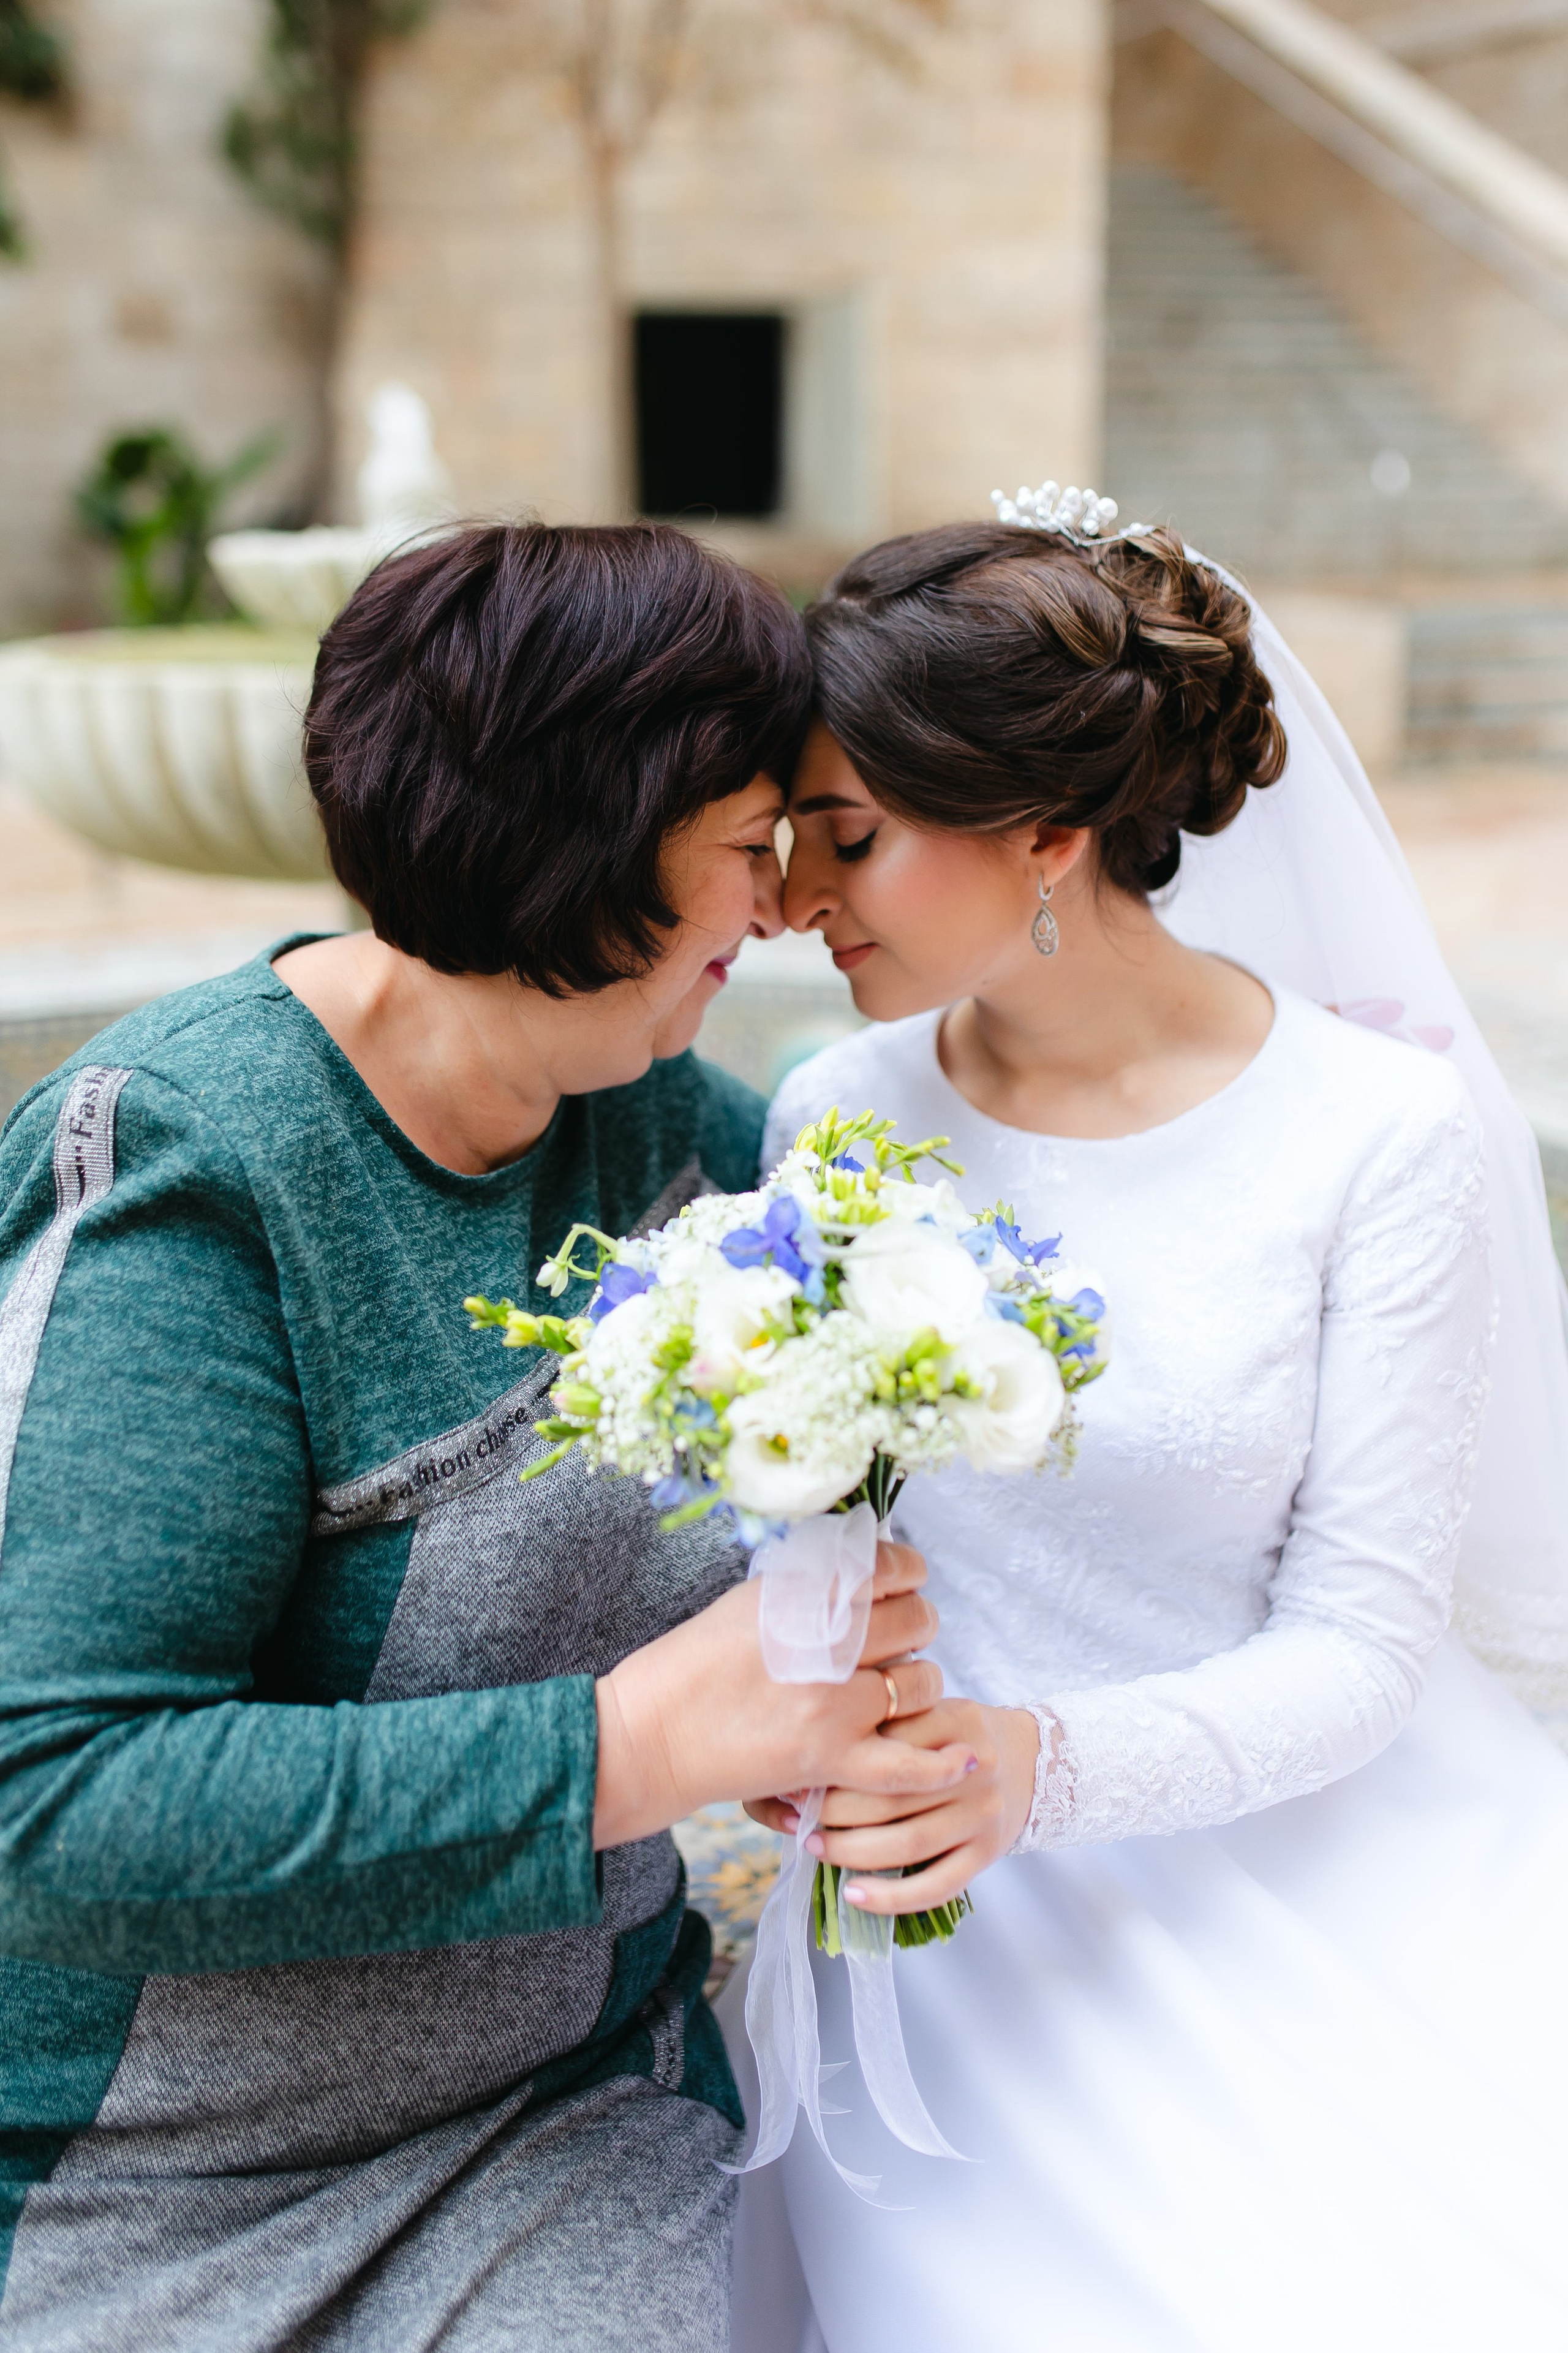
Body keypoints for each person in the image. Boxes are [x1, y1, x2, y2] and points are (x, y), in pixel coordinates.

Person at [0, 521, 969, 2353]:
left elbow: (961, 1299)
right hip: (138, 2177)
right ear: (582, 847)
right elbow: (46, 1803)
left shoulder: (674, 1129)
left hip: (564, 2113)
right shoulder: (189, 1172)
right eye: (747, 849)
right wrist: (629, 1743)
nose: (776, 911)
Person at [729, 513, 1568, 2351]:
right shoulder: (831, 1114)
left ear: (1047, 830)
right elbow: (801, 1525)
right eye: (790, 837)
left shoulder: (1371, 1133)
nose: (793, 894)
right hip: (945, 1907)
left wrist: (1041, 1767)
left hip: (1322, 1850)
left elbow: (1365, 1638)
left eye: (850, 835)